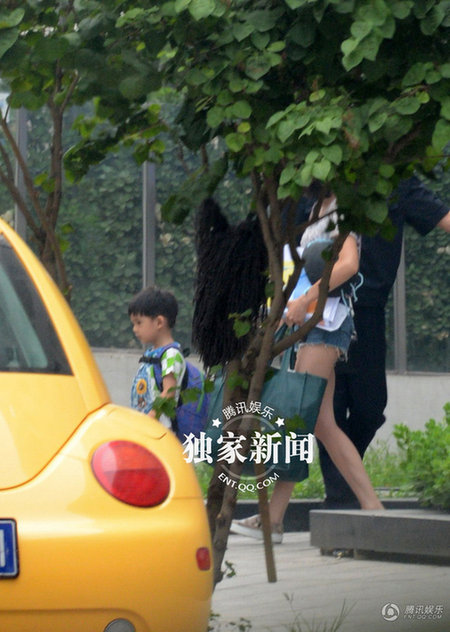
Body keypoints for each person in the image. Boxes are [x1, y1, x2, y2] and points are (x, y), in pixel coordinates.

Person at [231, 193, 384, 543]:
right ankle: (372, 508)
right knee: (320, 424)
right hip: (314, 323)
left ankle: (273, 519)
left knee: (297, 418)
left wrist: (304, 299)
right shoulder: (317, 208)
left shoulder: (343, 207)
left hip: (325, 323)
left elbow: (348, 264)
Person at [321, 177, 450, 508]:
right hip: (322, 309)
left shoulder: (394, 179)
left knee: (370, 407)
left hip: (367, 309)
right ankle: (341, 498)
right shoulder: (319, 182)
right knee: (329, 408)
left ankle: (346, 486)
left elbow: (440, 215)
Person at [129, 285, 186, 431]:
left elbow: (169, 392)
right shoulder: (152, 353)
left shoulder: (171, 355)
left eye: (139, 323)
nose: (135, 329)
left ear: (159, 322)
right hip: (148, 426)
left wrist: (151, 417)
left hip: (161, 429)